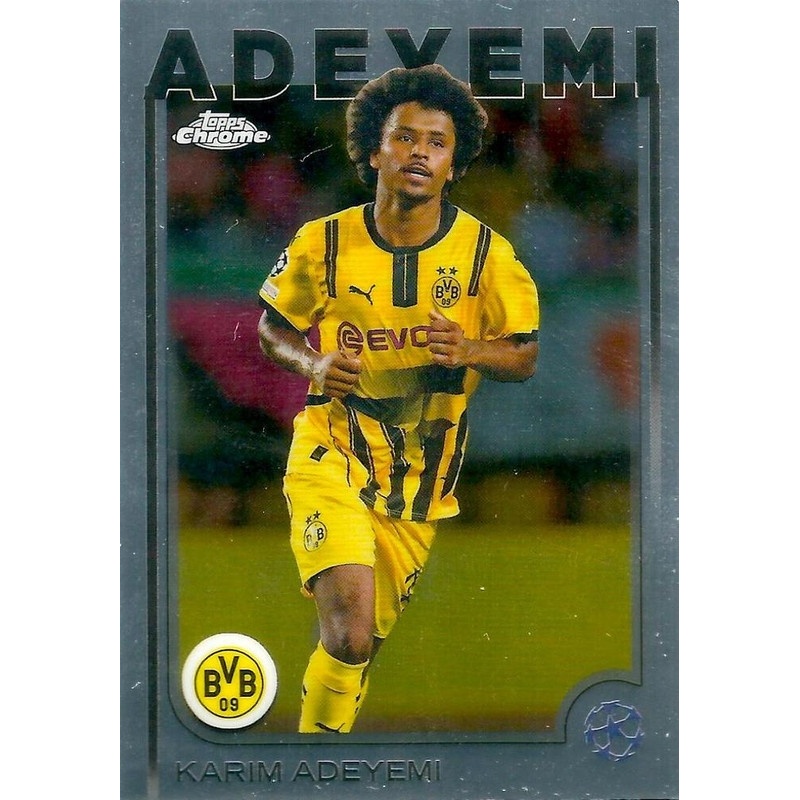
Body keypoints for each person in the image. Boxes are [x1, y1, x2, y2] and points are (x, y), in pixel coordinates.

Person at [256, 64, 539, 733]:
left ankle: (316, 745)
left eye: (437, 143)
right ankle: (314, 768)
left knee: (356, 650)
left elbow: (524, 354)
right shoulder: (323, 242)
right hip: (332, 453)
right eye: (404, 137)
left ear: (453, 165)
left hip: (418, 486)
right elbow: (273, 329)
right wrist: (313, 361)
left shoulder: (487, 256)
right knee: (349, 631)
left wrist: (471, 349)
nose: (419, 152)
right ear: (374, 151)